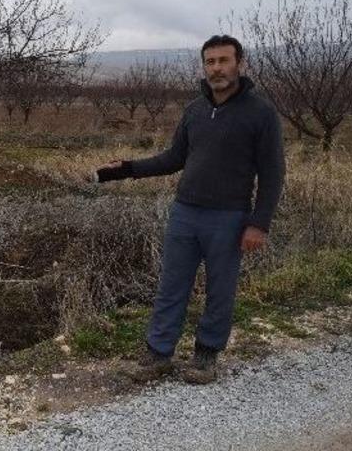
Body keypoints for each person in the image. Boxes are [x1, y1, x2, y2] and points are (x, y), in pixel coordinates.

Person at [92, 35, 285, 384]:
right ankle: (158, 354)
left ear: (239, 63)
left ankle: (206, 356)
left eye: (224, 61)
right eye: (210, 62)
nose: (217, 68)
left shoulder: (261, 113)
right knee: (171, 285)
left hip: (229, 218)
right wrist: (128, 168)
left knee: (220, 289)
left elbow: (273, 174)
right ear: (204, 66)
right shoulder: (195, 110)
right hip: (185, 213)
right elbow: (175, 158)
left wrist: (259, 224)